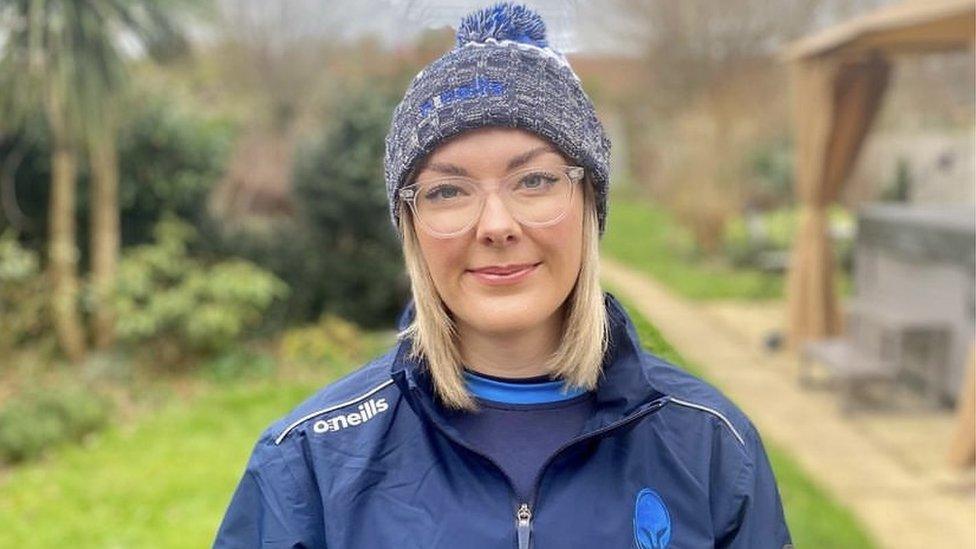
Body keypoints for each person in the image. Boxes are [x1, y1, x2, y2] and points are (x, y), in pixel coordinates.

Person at [213, 3, 792, 548]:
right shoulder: (308, 470)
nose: (496, 225)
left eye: (534, 181)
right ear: (411, 226)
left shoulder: (711, 449)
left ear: (590, 202)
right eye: (448, 190)